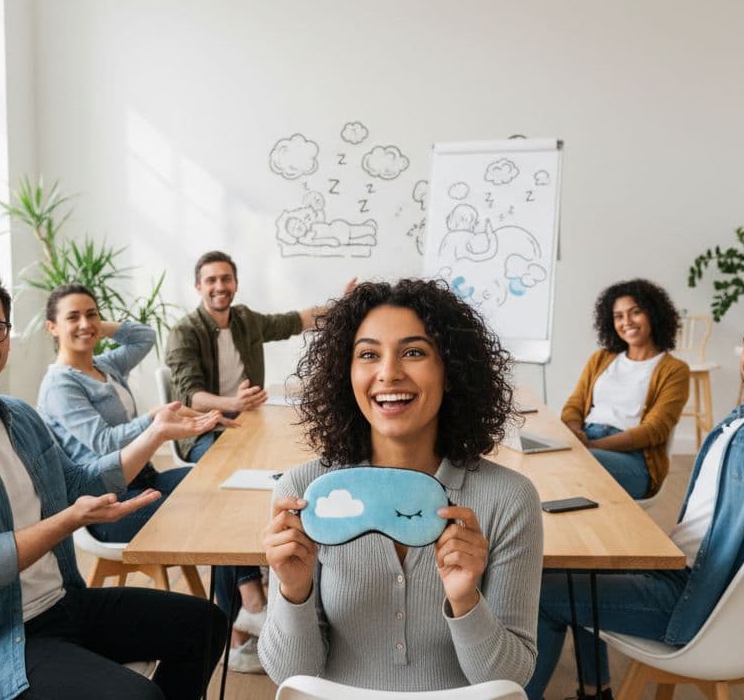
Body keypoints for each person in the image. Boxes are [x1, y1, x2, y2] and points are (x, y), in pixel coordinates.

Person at [0, 262, 227, 700]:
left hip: (64, 604)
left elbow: (76, 482)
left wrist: (154, 434)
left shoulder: (19, 417)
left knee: (206, 624)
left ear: (6, 336)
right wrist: (68, 521)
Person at [525, 303, 744, 700]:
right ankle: (594, 690)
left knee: (534, 590)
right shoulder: (737, 420)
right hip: (674, 570)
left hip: (696, 598)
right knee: (573, 570)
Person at [258, 278, 543, 690]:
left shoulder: (508, 498)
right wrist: (293, 590)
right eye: (369, 354)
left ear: (450, 371)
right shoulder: (303, 491)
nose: (388, 373)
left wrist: (466, 601)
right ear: (346, 373)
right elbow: (291, 676)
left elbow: (510, 681)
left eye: (413, 352)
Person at [164, 249, 354, 670]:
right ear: (199, 287)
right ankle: (251, 598)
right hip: (207, 429)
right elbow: (188, 396)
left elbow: (295, 321)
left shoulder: (246, 319)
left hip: (249, 422)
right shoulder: (184, 332)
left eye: (226, 279)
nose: (219, 287)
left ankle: (245, 618)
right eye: (211, 280)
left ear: (235, 283)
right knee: (230, 504)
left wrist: (342, 308)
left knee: (277, 483)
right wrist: (231, 403)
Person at [37, 283, 235, 542]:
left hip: (143, 477)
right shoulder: (60, 385)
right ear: (52, 327)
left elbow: (145, 336)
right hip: (107, 500)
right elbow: (105, 443)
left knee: (227, 489)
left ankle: (245, 582)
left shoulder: (105, 364)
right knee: (210, 512)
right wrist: (154, 419)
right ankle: (244, 583)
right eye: (72, 317)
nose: (84, 322)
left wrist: (93, 328)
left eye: (91, 313)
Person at [560, 279, 690, 500]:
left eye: (635, 312)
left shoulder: (674, 370)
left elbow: (654, 430)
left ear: (654, 314)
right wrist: (574, 432)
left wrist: (591, 445)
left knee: (573, 464)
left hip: (633, 459)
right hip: (586, 440)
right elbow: (575, 403)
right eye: (618, 316)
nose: (626, 321)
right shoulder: (601, 358)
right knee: (544, 459)